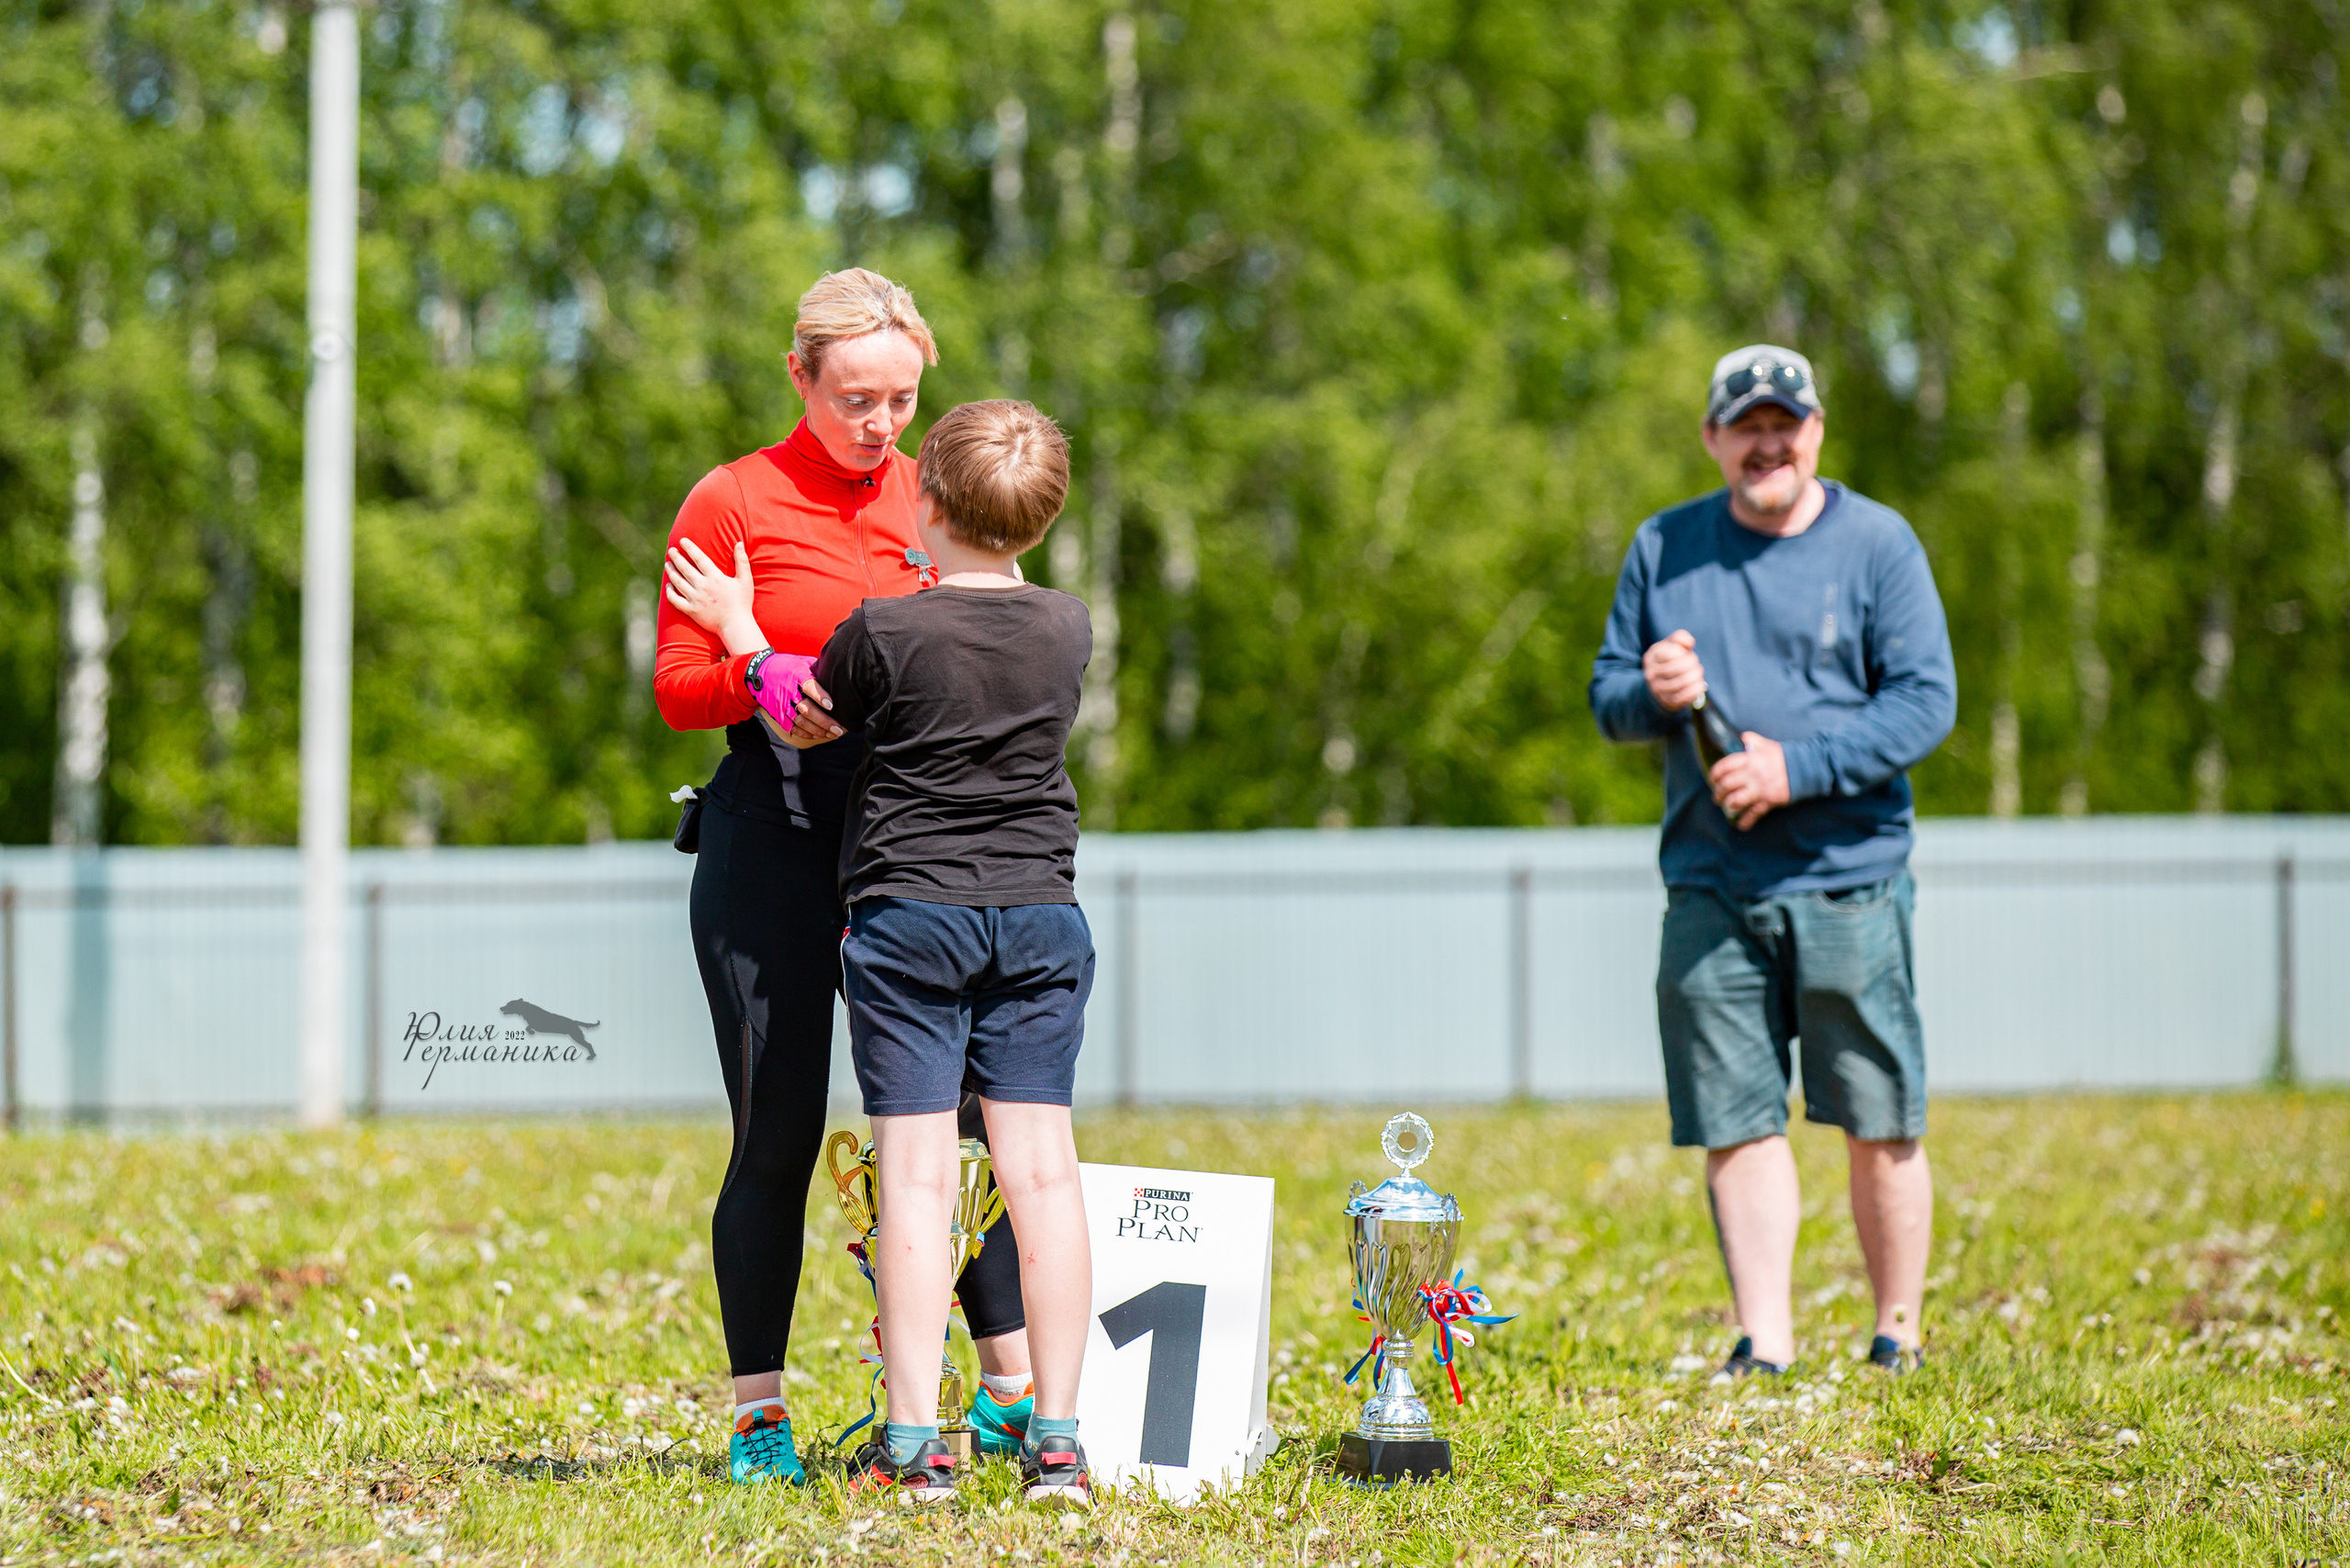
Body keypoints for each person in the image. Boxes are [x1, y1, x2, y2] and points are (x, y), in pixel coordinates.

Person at [653, 269, 1037, 1486]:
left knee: (957, 1139)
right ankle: (759, 1420)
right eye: (857, 399)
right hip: (767, 841)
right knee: (774, 1134)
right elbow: (675, 686)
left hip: (916, 847)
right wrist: (768, 686)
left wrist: (770, 645)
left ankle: (1008, 1400)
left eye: (903, 399)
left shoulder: (943, 498)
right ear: (800, 379)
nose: (882, 427)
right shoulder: (730, 502)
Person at [1587, 345, 1957, 1379]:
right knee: (1735, 1117)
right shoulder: (1666, 545)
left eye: (1781, 422)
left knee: (1879, 1114)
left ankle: (1898, 1334)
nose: (1766, 442)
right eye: (1743, 425)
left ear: (1816, 430)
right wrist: (1650, 690)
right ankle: (1766, 1343)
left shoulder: (1879, 544)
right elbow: (1608, 697)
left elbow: (1927, 701)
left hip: (1850, 874)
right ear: (1711, 438)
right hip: (1711, 883)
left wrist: (1796, 770)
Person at [777, 398, 1095, 1505]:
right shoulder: (1069, 626)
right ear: (1043, 519)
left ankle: (914, 1447)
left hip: (911, 915)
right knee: (1043, 1174)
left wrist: (736, 629)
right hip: (1040, 915)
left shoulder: (882, 628)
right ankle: (1057, 1438)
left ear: (925, 500)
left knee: (914, 1179)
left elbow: (811, 712)